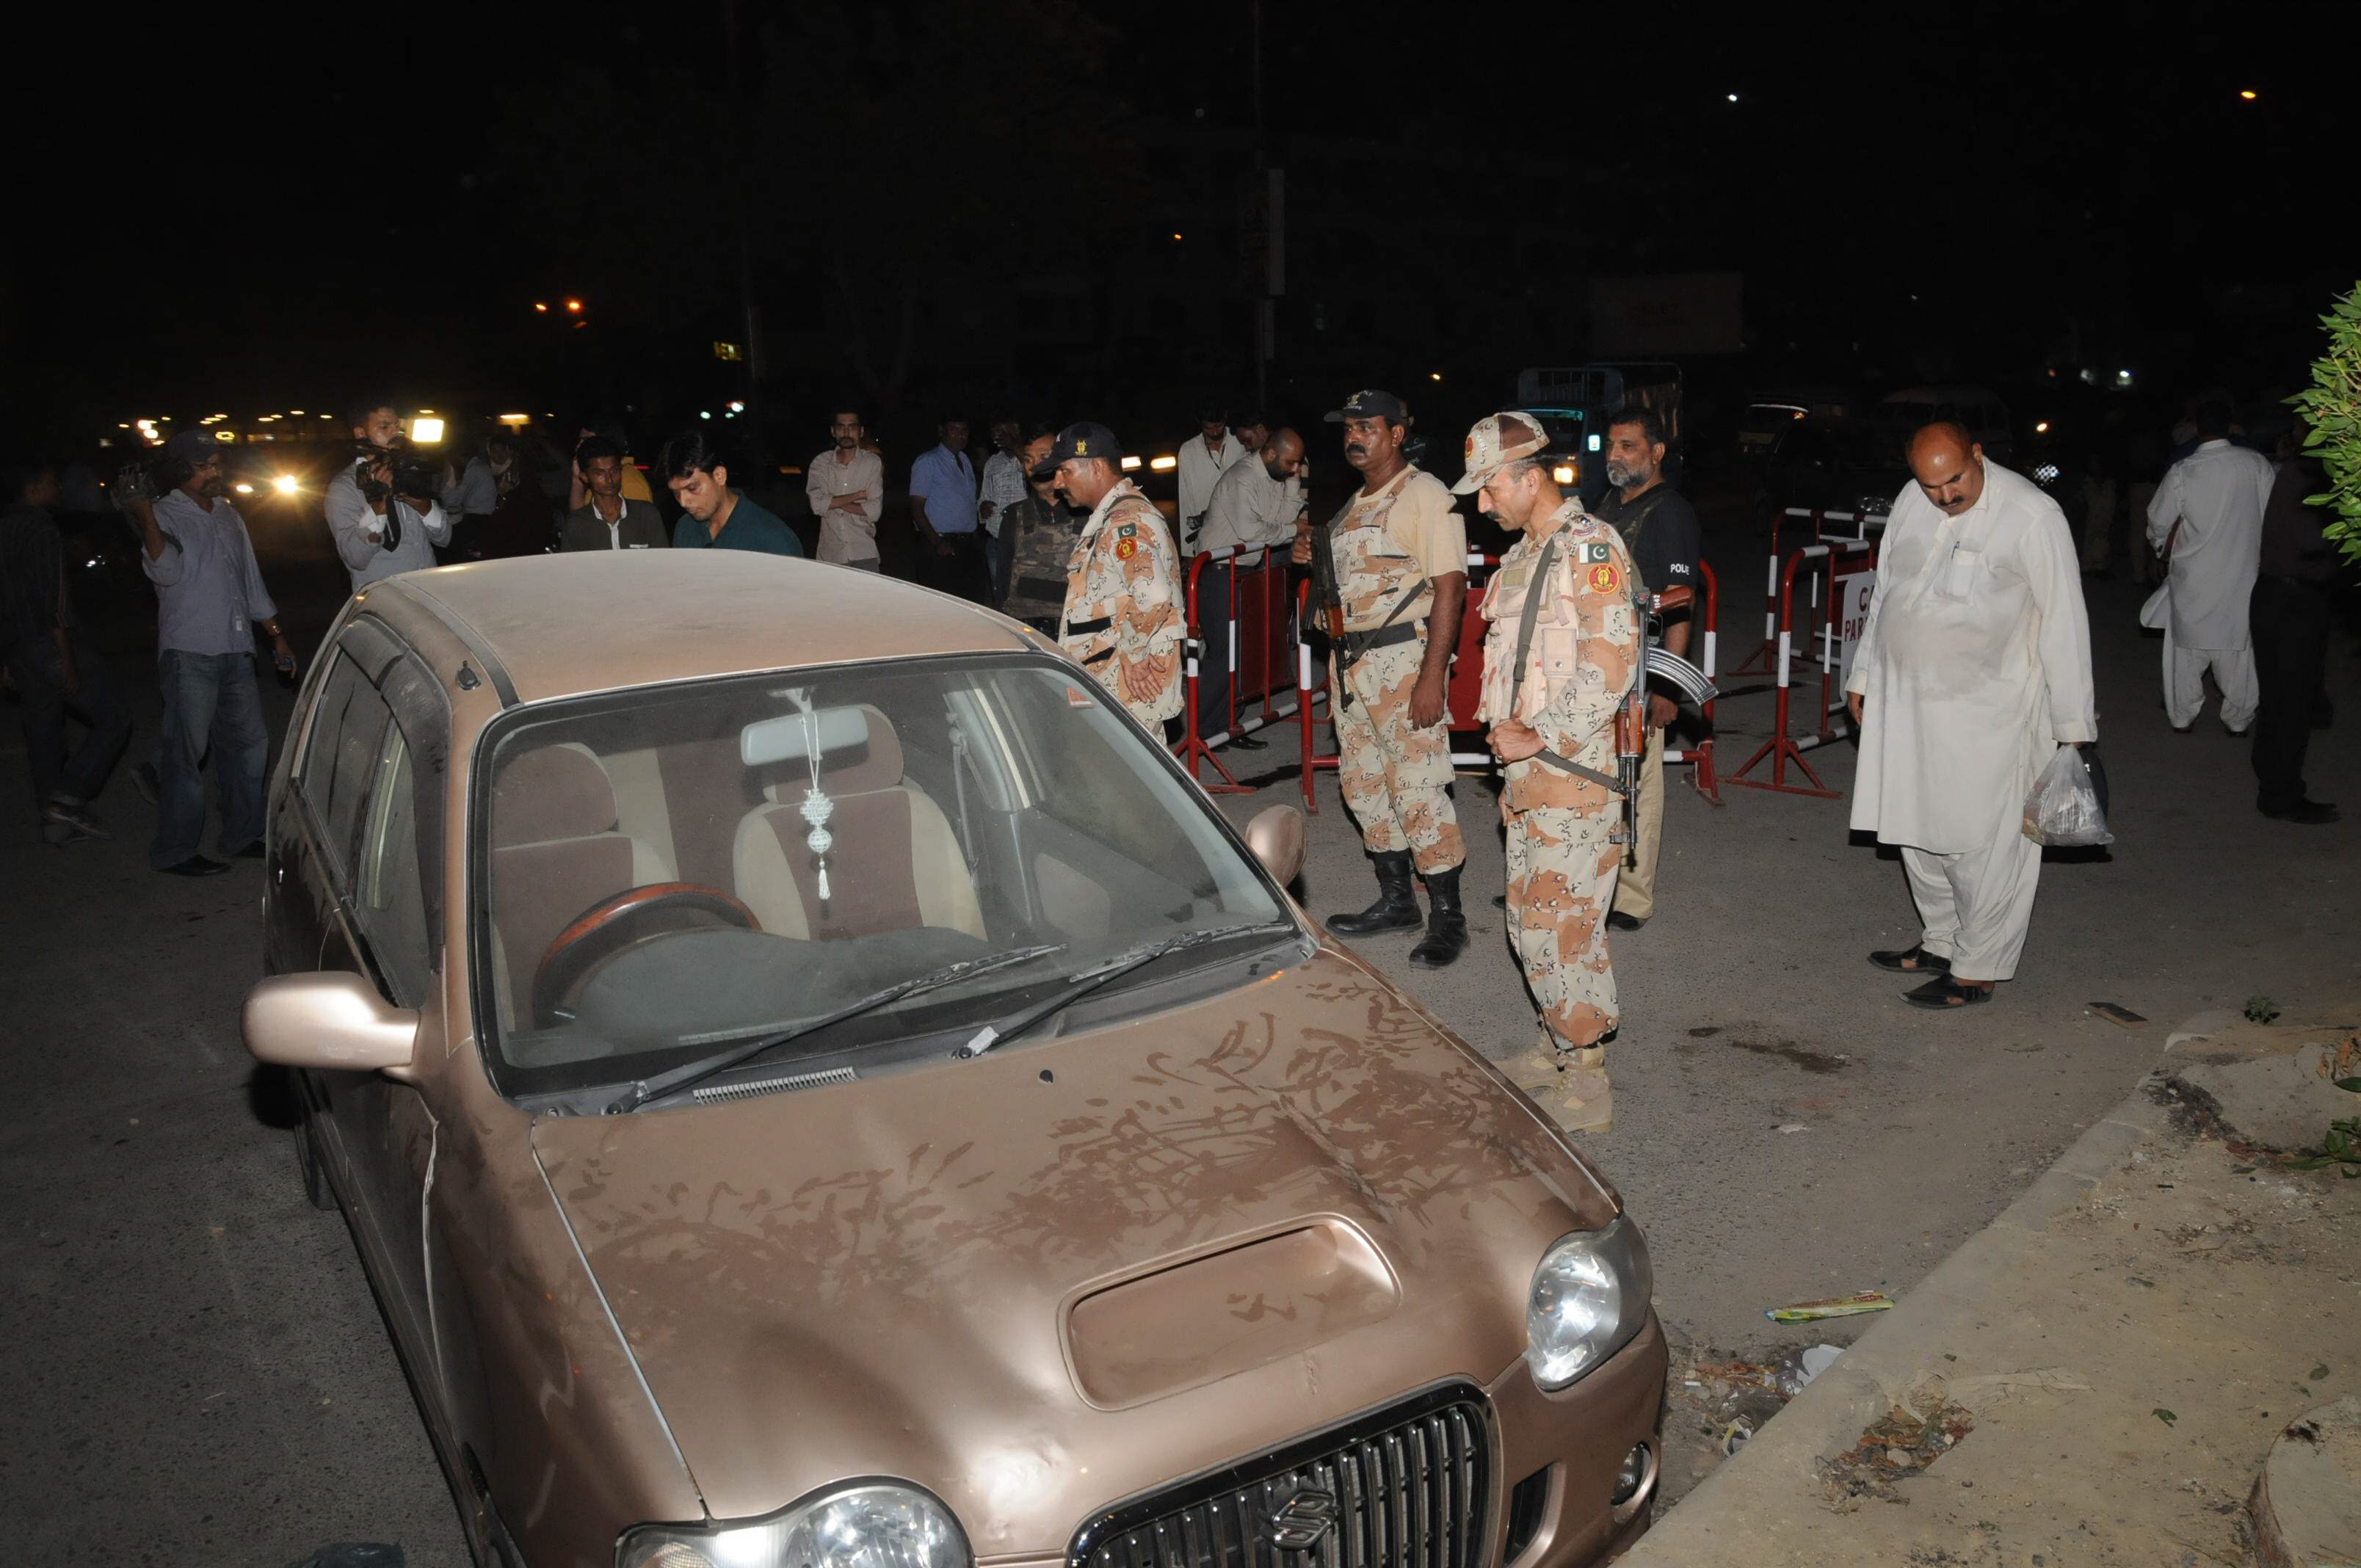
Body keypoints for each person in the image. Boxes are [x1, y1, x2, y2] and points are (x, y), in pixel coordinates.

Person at [1844, 422, 2095, 1008]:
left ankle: (1978, 966)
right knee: (1913, 828)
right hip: (1908, 701)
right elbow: (1888, 592)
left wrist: (2073, 728)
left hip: (1992, 712)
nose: (1945, 496)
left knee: (1980, 842)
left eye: (1955, 479)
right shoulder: (1913, 500)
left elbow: (2065, 619)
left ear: (1978, 454)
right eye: (1931, 485)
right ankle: (1941, 941)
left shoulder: (2034, 516)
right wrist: (1864, 674)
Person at [1462, 413, 1641, 1131]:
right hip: (1532, 776)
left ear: (1529, 477)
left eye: (1487, 487)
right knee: (1533, 923)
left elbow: (1613, 660)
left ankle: (1589, 1080)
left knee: (1565, 928)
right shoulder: (1527, 555)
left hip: (1573, 771)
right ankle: (1555, 1045)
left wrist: (1540, 734)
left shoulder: (1588, 546)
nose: (1481, 504)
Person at [1291, 389, 1470, 968]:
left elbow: (1450, 587)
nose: (1355, 436)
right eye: (1348, 427)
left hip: (1402, 662)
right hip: (1353, 665)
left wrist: (1432, 676)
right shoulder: (1355, 502)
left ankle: (1449, 917)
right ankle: (1397, 901)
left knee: (1417, 787)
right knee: (1365, 785)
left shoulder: (1425, 494)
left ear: (1398, 432)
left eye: (1368, 426)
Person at [126, 430, 300, 876]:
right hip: (190, 651)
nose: (213, 472)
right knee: (187, 754)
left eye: (216, 463)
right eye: (203, 466)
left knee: (249, 746)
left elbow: (250, 580)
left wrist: (275, 634)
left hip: (237, 646)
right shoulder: (164, 513)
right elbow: (163, 572)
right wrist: (145, 515)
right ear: (180, 470)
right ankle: (175, 851)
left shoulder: (227, 514)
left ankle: (241, 833)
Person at [1593, 404, 1704, 933]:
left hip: (1641, 669)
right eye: (1611, 445)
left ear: (1656, 453)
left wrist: (1667, 685)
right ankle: (1587, 884)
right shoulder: (1610, 503)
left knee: (1639, 783)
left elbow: (1682, 603)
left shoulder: (1671, 512)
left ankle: (1631, 899)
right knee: (1594, 781)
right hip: (1598, 667)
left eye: (1628, 446)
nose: (1615, 455)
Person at [1, 460, 131, 843]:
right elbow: (53, 598)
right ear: (35, 486)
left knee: (43, 728)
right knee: (114, 716)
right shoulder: (40, 527)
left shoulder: (4, 525)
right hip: (48, 643)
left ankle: (54, 823)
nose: (58, 488)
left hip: (19, 647)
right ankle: (71, 795)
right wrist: (66, 657)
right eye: (52, 481)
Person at [1040, 422, 1183, 732]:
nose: (1057, 483)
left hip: (1123, 680)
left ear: (1094, 466)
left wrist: (1133, 652)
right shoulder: (1117, 514)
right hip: (1116, 676)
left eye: (1064, 471)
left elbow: (1155, 595)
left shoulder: (1124, 521)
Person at [2146, 398, 2273, 734]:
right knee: (2237, 649)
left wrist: (2160, 548)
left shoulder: (2184, 470)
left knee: (2185, 651)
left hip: (2194, 578)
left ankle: (2182, 717)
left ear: (2198, 428)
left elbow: (2158, 520)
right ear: (2230, 425)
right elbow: (2270, 516)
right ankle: (2238, 719)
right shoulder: (2256, 465)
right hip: (2241, 575)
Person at [1191, 427, 1306, 749]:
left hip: (1241, 573)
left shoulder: (1271, 476)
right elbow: (1251, 531)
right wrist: (1291, 529)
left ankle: (1228, 724)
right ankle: (1203, 728)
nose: (1295, 469)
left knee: (1239, 653)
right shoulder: (1243, 477)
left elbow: (1281, 518)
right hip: (1216, 573)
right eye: (1291, 463)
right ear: (1271, 454)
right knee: (1224, 653)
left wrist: (1293, 486)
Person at [2248, 446, 2340, 824]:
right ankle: (2280, 795)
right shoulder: (2314, 473)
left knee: (2282, 699)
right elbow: (2311, 542)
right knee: (2289, 703)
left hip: (2282, 594)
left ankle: (2275, 783)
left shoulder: (2301, 468)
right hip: (2291, 599)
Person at [324, 401, 452, 590]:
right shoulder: (344, 487)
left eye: (397, 427)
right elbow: (354, 559)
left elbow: (444, 539)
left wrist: (424, 507)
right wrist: (378, 509)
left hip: (429, 594)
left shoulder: (411, 471)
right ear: (361, 433)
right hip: (386, 601)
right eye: (384, 427)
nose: (394, 433)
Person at [661, 430, 805, 554]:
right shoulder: (685, 529)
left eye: (692, 488)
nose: (683, 501)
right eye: (676, 493)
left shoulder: (771, 537)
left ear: (719, 476)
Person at [993, 427, 1073, 631]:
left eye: (1044, 457)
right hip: (1028, 634)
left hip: (1076, 636)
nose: (1035, 466)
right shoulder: (1014, 515)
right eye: (1028, 459)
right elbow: (1002, 583)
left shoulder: (1088, 512)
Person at [910, 416, 985, 600]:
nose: (960, 435)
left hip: (967, 545)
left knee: (972, 603)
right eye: (954, 430)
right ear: (941, 431)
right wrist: (936, 542)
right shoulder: (928, 461)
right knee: (943, 607)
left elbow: (963, 501)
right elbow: (916, 507)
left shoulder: (965, 460)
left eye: (964, 431)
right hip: (939, 544)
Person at [804, 409, 887, 569]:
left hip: (864, 552)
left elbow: (875, 510)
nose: (847, 432)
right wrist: (857, 495)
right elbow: (816, 506)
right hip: (831, 556)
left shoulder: (872, 463)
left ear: (861, 431)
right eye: (841, 427)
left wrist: (831, 501)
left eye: (852, 427)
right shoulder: (820, 463)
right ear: (833, 431)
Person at [561, 436, 667, 550]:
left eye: (614, 470)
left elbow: (663, 562)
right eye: (600, 473)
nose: (610, 479)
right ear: (585, 477)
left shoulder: (646, 514)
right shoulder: (576, 524)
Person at [1175, 407, 1245, 553]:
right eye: (1209, 428)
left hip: (1241, 532)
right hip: (1208, 536)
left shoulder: (1240, 442)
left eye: (1218, 426)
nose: (1214, 432)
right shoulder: (1188, 451)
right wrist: (1188, 551)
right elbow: (1185, 501)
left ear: (1225, 419)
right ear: (1200, 424)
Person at [977, 419, 1029, 597]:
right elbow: (984, 495)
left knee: (1024, 595)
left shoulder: (1030, 456)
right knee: (1000, 593)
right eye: (994, 431)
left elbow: (1036, 474)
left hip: (1023, 542)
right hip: (996, 539)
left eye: (1002, 430)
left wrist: (1016, 446)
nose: (997, 436)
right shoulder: (992, 462)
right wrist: (982, 507)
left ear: (1015, 429)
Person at [438, 435, 498, 560]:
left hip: (479, 519)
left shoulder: (475, 470)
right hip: (480, 517)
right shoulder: (479, 466)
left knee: (447, 543)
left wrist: (445, 491)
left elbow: (454, 500)